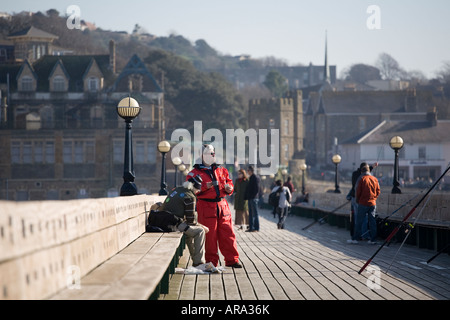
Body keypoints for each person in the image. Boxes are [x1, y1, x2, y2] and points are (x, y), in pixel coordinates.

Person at [187, 144, 242, 268]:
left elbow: (229, 182)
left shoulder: (222, 170)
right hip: (206, 206)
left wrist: (229, 188)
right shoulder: (193, 173)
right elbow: (190, 189)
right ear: (201, 155)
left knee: (228, 234)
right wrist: (205, 186)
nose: (211, 156)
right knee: (210, 237)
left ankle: (232, 260)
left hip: (223, 206)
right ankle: (211, 262)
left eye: (212, 153)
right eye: (208, 154)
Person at [158, 174, 208, 268]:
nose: (198, 192)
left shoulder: (176, 190)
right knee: (200, 232)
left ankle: (197, 261)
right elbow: (191, 221)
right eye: (198, 190)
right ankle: (199, 262)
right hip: (173, 224)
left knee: (189, 233)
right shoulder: (189, 196)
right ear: (194, 188)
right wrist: (202, 226)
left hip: (163, 220)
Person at [348, 163, 380, 244]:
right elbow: (378, 191)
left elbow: (357, 191)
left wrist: (358, 200)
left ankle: (355, 239)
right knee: (372, 221)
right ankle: (373, 239)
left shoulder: (361, 178)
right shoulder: (374, 179)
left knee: (359, 221)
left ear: (362, 171)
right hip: (372, 203)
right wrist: (374, 198)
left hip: (363, 203)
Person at [244, 165, 260, 232]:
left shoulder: (255, 178)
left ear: (251, 171)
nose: (247, 172)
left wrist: (252, 196)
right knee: (250, 213)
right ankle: (251, 227)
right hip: (250, 198)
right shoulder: (251, 177)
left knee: (255, 214)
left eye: (248, 170)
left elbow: (256, 189)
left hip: (253, 198)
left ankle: (256, 228)